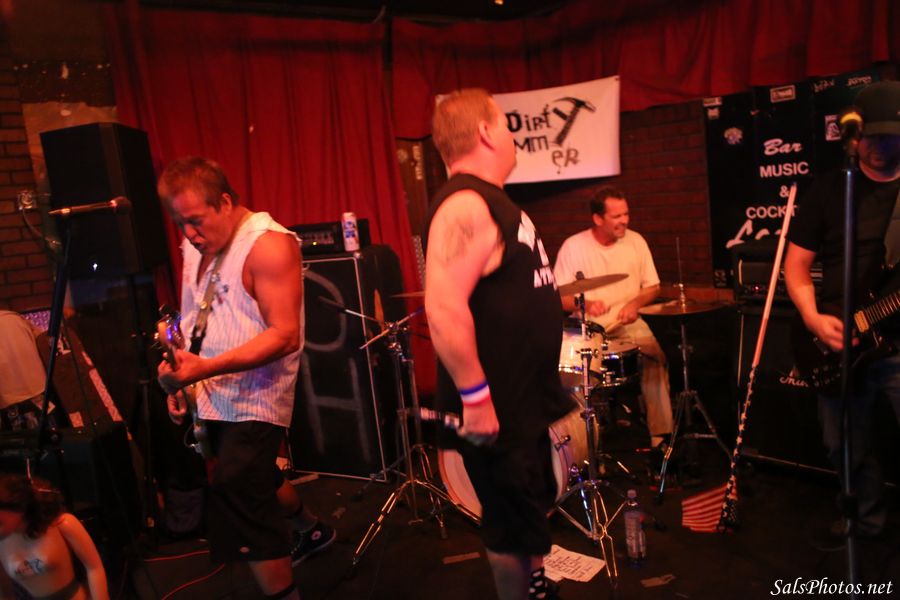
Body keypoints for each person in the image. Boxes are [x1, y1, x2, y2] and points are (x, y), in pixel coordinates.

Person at [155, 157, 334, 600]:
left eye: (195, 221)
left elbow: (285, 335)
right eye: (179, 223)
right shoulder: (193, 248)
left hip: (256, 396)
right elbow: (194, 321)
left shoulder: (268, 245)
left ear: (225, 202)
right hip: (210, 390)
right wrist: (180, 374)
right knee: (254, 476)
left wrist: (204, 370)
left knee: (240, 492)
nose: (188, 234)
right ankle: (311, 530)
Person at [424, 89, 575, 600]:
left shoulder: (490, 201)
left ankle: (535, 586)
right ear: (486, 131)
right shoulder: (466, 204)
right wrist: (475, 397)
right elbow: (443, 307)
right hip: (495, 407)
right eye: (506, 125)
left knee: (527, 513)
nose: (512, 137)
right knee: (509, 526)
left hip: (519, 402)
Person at [784, 80, 900, 541]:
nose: (878, 147)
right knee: (842, 446)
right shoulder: (831, 189)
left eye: (890, 137)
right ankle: (866, 519)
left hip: (897, 343)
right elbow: (796, 267)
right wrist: (813, 318)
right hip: (837, 339)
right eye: (871, 136)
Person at [553, 187, 673, 452]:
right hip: (588, 330)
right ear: (598, 218)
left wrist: (634, 304)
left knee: (655, 359)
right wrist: (585, 304)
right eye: (617, 216)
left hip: (629, 325)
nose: (624, 221)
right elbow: (559, 296)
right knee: (575, 375)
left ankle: (660, 438)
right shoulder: (574, 247)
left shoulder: (636, 242)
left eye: (626, 214)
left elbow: (653, 287)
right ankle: (583, 445)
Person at [0, 473, 108, 600]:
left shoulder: (62, 524)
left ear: (18, 507)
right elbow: (6, 592)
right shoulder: (2, 543)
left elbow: (94, 569)